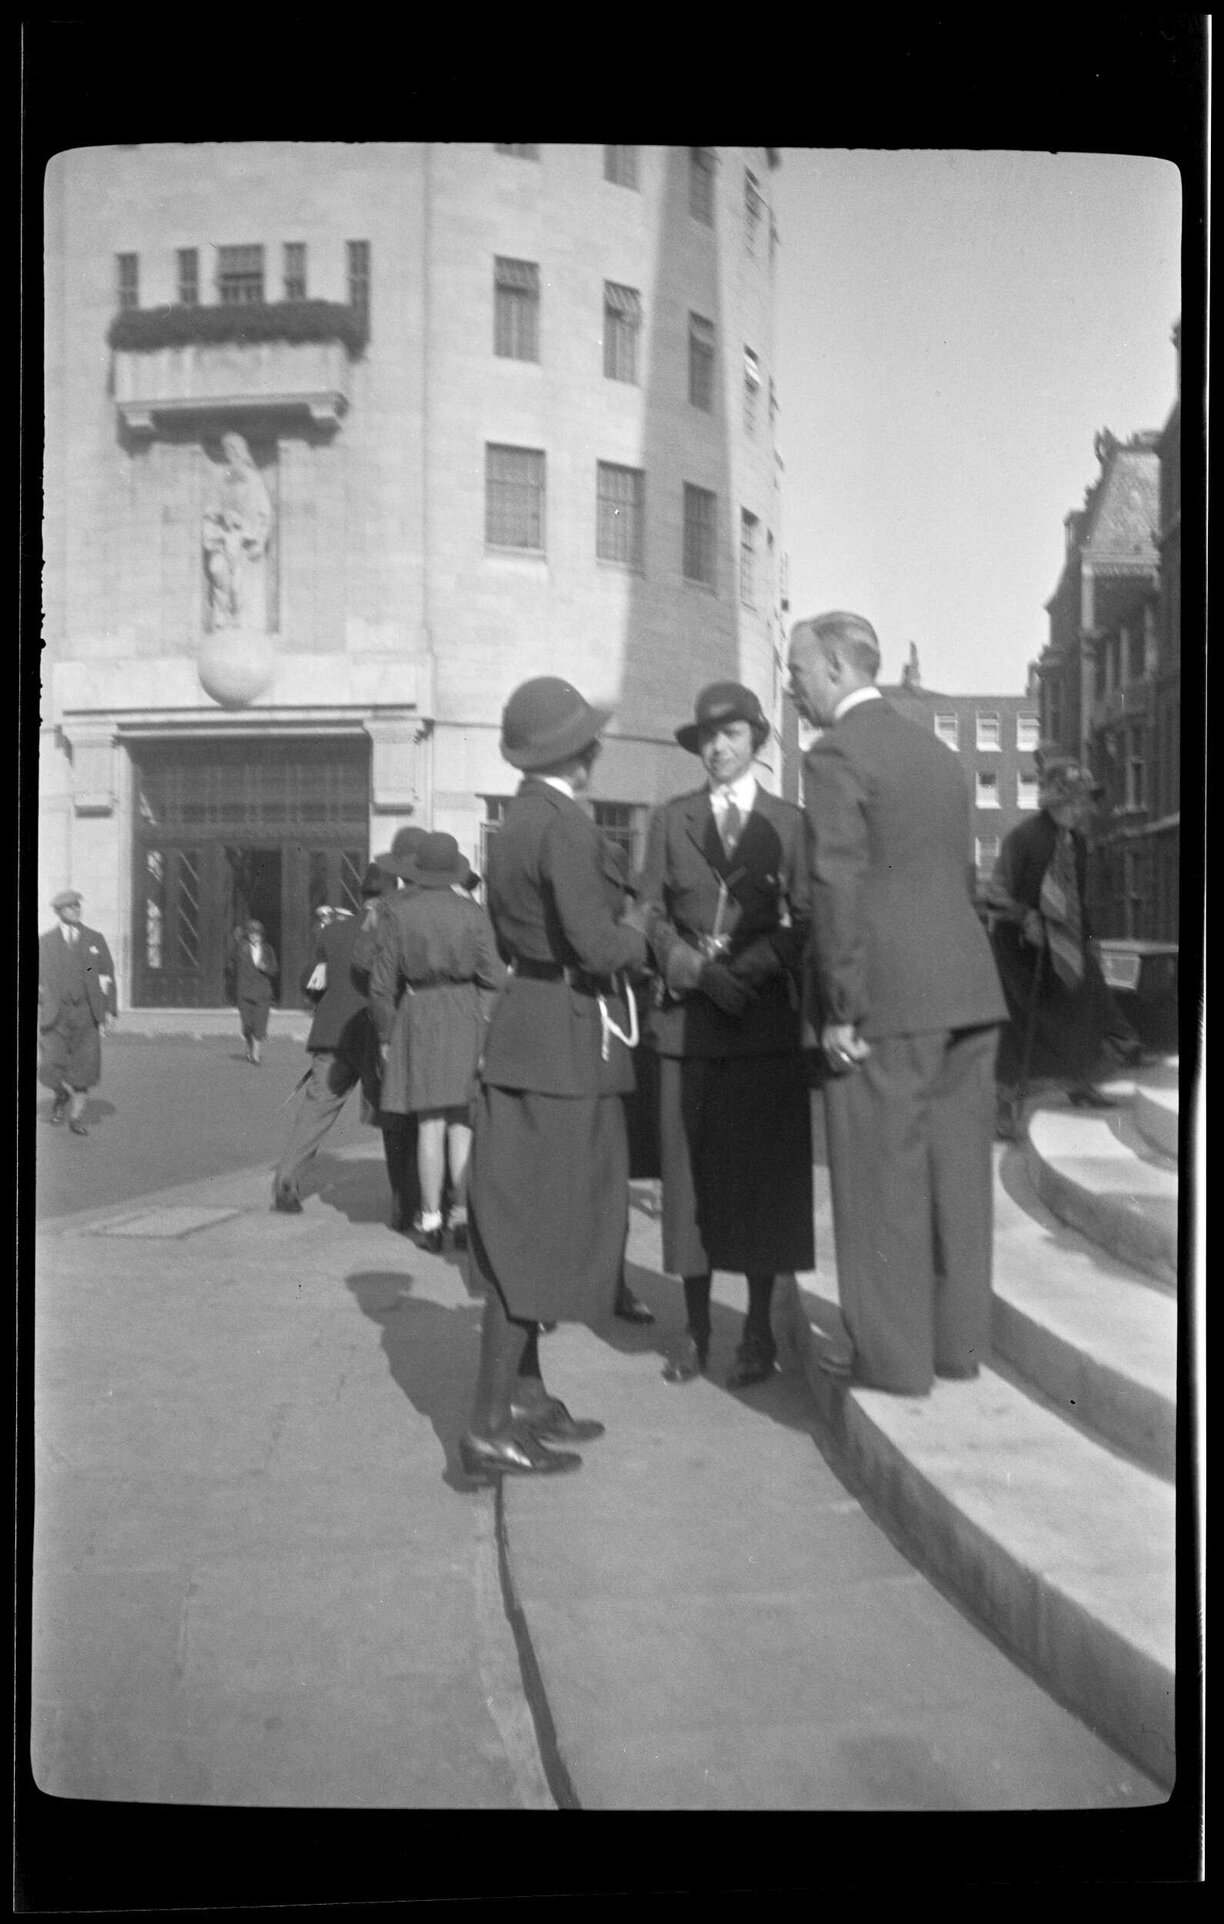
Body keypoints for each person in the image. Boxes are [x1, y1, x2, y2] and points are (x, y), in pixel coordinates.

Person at [788, 612, 1007, 1396]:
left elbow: (836, 886)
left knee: (880, 1180)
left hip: (887, 997)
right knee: (957, 1177)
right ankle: (955, 1347)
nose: (792, 689)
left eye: (800, 672)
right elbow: (961, 875)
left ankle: (893, 1359)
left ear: (841, 671)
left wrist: (841, 1007)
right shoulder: (937, 753)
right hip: (967, 988)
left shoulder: (837, 755)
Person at [460, 676, 649, 1484]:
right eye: (590, 738)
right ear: (577, 752)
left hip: (532, 1030)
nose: (598, 748)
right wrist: (645, 930)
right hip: (567, 1040)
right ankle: (490, 1424)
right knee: (534, 1236)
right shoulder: (566, 823)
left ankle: (527, 1399)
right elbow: (599, 945)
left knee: (528, 1226)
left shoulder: (513, 821)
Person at [636, 682, 813, 1389]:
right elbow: (645, 913)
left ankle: (760, 1332)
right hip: (689, 1027)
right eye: (707, 738)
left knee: (763, 1186)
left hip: (763, 1026)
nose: (717, 748)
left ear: (757, 740)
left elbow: (808, 921)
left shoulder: (792, 824)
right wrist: (690, 968)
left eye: (731, 735)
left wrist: (753, 966)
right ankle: (696, 1331)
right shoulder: (670, 819)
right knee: (689, 1185)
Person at [984, 755, 1140, 1139]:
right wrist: (1027, 919)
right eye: (1077, 800)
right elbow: (996, 893)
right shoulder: (1022, 838)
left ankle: (1080, 1084)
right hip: (1019, 951)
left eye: (1086, 800)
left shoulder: (1078, 842)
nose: (1084, 808)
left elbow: (1077, 899)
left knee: (1086, 1009)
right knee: (1020, 1028)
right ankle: (1004, 1108)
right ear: (1057, 802)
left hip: (1065, 942)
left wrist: (1088, 942)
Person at [368, 833, 506, 1253]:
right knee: (462, 1121)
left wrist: (387, 1035)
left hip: (420, 1010)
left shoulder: (397, 913)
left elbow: (380, 985)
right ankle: (461, 1216)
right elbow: (495, 977)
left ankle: (429, 1220)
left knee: (428, 1124)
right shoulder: (472, 913)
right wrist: (483, 1019)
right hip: (465, 1011)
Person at [271, 864, 389, 1213]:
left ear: (361, 895)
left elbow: (310, 983)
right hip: (373, 1033)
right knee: (394, 1117)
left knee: (315, 1113)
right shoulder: (391, 930)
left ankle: (286, 1181)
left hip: (331, 1036)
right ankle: (409, 1198)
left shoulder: (331, 932)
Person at [355, 826, 430, 1233]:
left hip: (388, 1020)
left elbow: (360, 966)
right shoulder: (449, 905)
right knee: (431, 1115)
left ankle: (403, 1200)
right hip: (434, 1021)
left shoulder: (382, 909)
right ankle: (431, 1200)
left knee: (394, 1117)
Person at [38, 889, 118, 1136]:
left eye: (77, 906)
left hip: (86, 1012)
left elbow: (104, 976)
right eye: (69, 907)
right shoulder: (46, 942)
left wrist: (110, 1011)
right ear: (58, 911)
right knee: (50, 1065)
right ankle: (61, 1093)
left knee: (84, 1067)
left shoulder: (94, 940)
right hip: (55, 1013)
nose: (75, 910)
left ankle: (76, 1117)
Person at [228, 919, 277, 1064]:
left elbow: (274, 969)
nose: (254, 936)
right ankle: (250, 1046)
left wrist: (265, 967)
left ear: (262, 935)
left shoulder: (267, 950)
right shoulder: (241, 948)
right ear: (247, 935)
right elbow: (230, 963)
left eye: (257, 934)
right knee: (247, 1025)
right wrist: (234, 939)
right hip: (244, 992)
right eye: (251, 933)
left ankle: (255, 1054)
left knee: (260, 1024)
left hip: (262, 992)